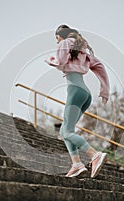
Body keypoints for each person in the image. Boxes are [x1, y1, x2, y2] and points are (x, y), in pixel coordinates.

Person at [45, 24, 110, 178]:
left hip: (75, 90)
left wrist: (52, 60)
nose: (57, 42)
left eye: (57, 38)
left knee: (66, 131)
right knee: (65, 131)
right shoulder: (83, 51)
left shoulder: (65, 43)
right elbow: (99, 66)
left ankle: (95, 155)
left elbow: (60, 61)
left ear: (61, 36)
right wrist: (105, 90)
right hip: (85, 94)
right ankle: (76, 164)